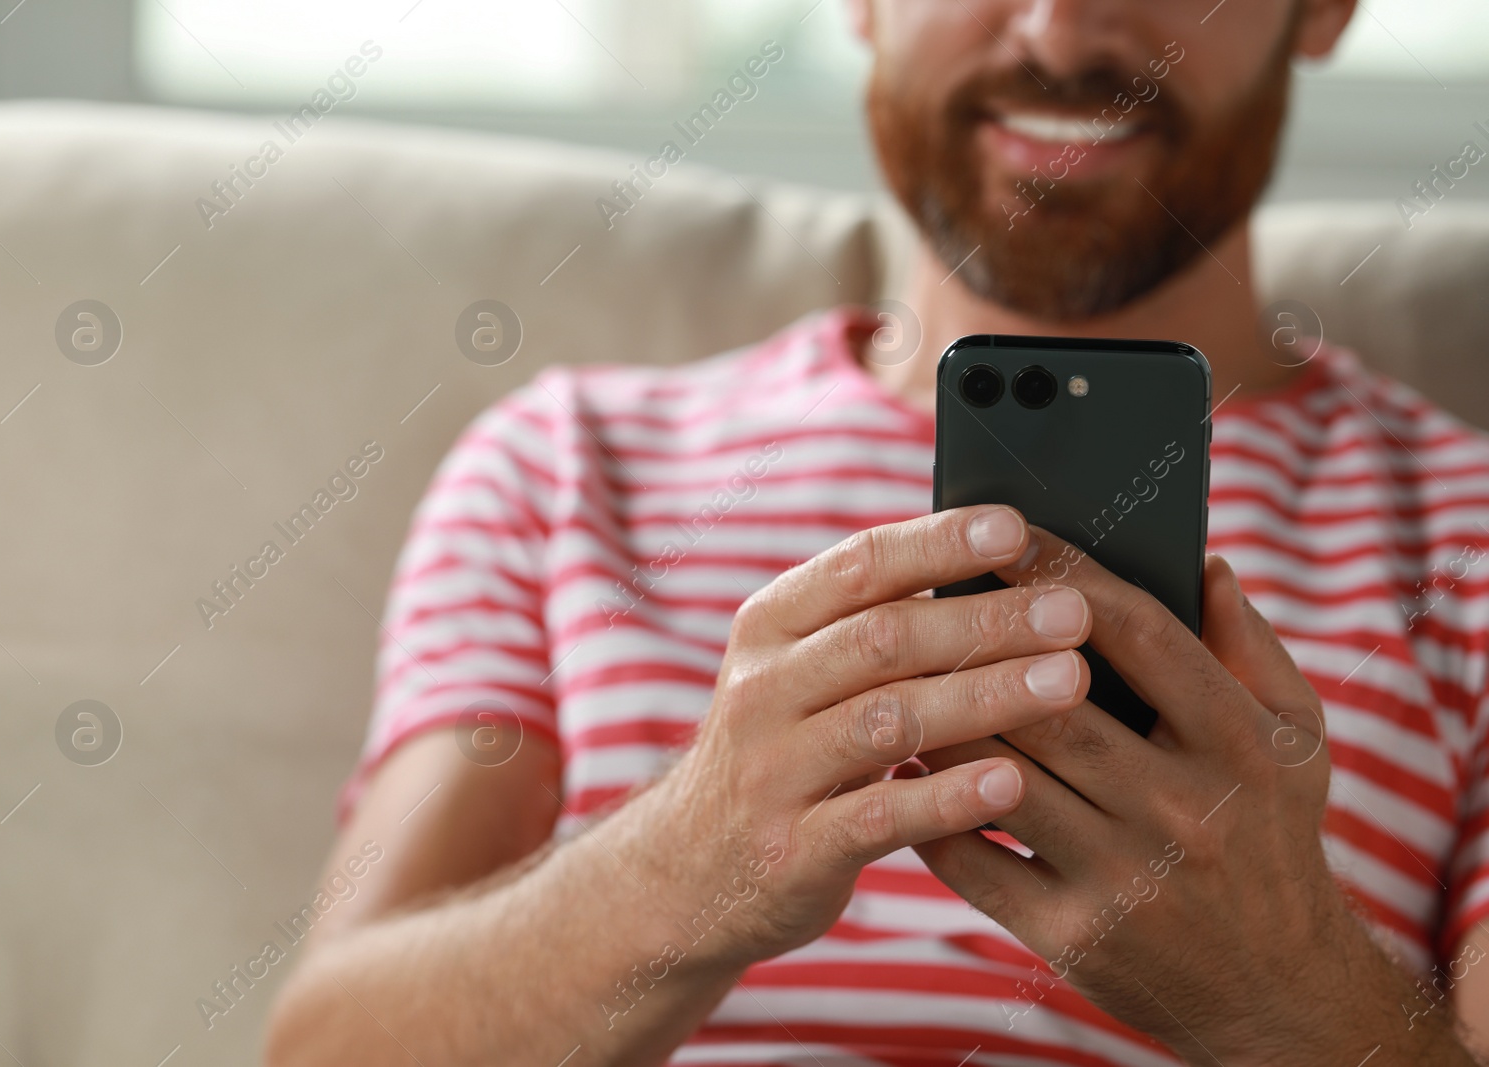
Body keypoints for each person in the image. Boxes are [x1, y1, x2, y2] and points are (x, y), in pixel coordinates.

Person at [265, 0, 1489, 1063]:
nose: (1057, 32)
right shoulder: (567, 464)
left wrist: (1288, 1000)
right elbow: (330, 1048)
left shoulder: (1465, 533)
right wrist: (690, 863)